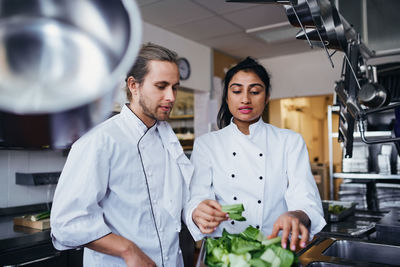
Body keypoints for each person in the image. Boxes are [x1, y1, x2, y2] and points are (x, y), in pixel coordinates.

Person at [50, 43, 193, 267]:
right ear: (133, 85)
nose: (171, 97)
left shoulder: (167, 138)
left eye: (174, 87)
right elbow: (67, 223)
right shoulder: (100, 141)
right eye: (161, 86)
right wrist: (128, 250)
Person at [183, 57, 326, 252]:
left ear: (266, 97)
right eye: (236, 91)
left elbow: (305, 198)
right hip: (224, 252)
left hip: (274, 249)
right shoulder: (207, 144)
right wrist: (197, 212)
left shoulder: (289, 141)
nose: (245, 99)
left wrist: (296, 215)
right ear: (226, 97)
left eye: (255, 91)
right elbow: (196, 198)